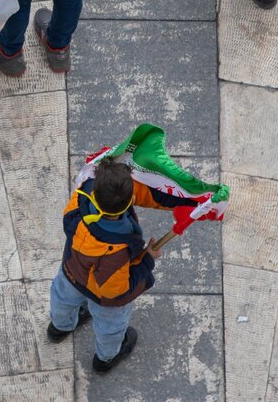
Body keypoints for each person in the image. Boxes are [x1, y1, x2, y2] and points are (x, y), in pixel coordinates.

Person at [47, 158, 200, 374]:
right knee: (110, 325)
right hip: (103, 295)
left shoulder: (79, 196)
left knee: (62, 297)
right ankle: (106, 358)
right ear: (129, 202)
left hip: (72, 270)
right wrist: (148, 258)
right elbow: (115, 291)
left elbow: (101, 182)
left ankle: (59, 327)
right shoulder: (116, 253)